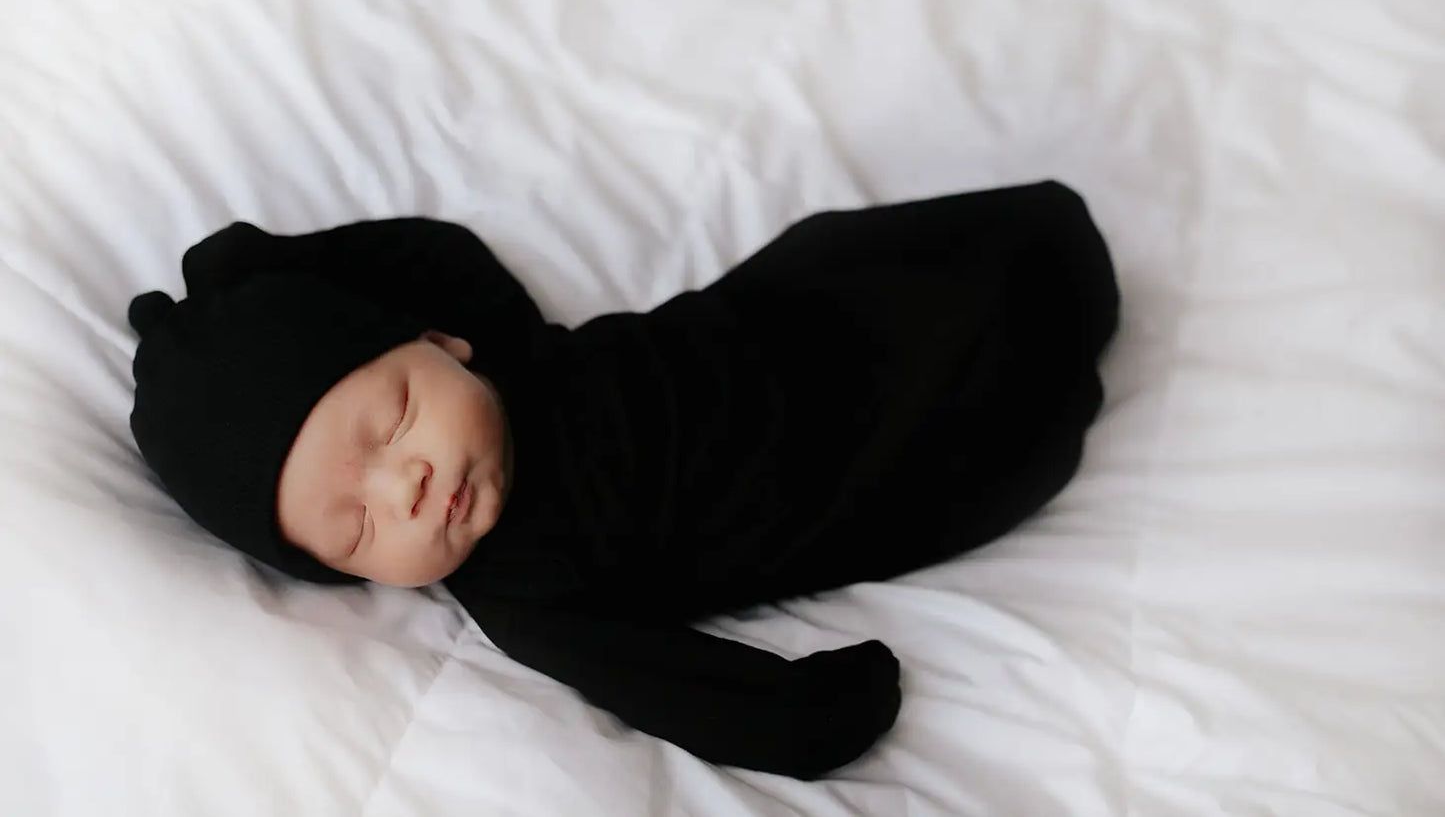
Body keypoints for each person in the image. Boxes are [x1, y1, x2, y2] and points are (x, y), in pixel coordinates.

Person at [127, 179, 1119, 779]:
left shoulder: (505, 347)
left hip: (794, 322)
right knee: (987, 418)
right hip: (843, 473)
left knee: (937, 268)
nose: (407, 489)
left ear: (439, 342)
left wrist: (252, 272)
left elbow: (429, 250)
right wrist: (818, 710)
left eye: (390, 420)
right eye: (352, 532)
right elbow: (672, 688)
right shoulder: (524, 593)